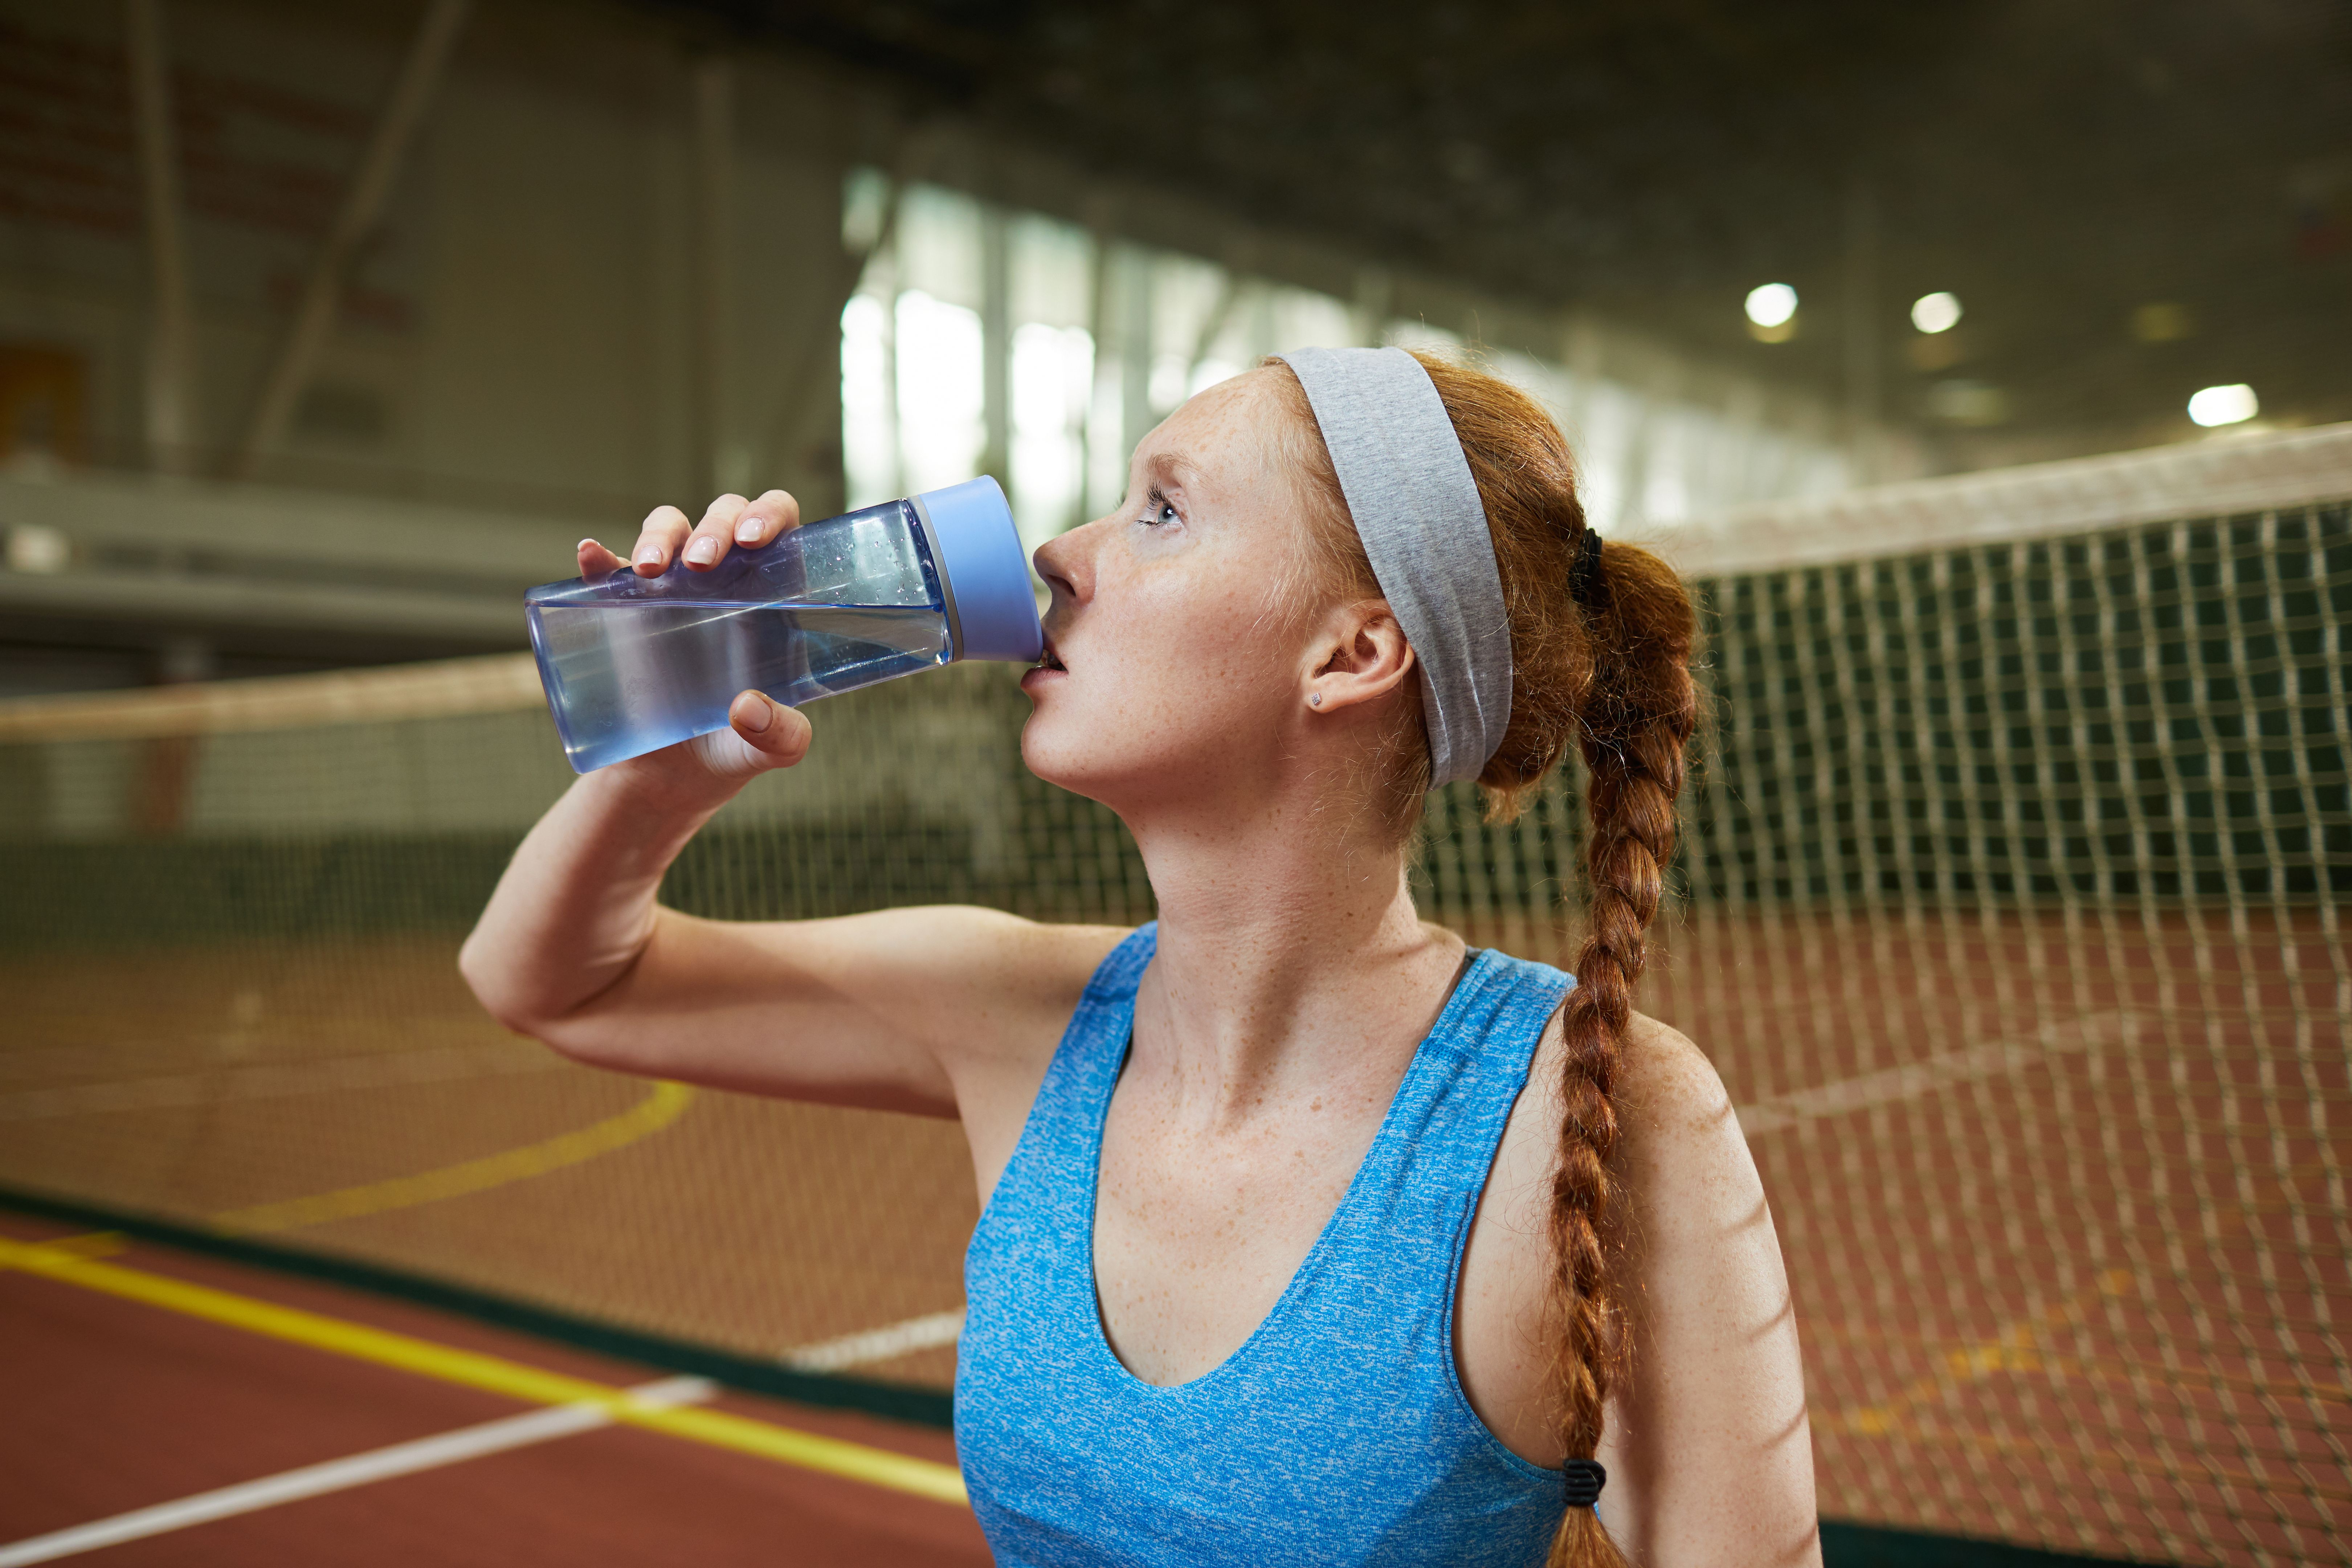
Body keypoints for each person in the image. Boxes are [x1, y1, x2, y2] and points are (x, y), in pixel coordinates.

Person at [461, 346, 1818, 1567]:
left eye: (1163, 510)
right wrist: (659, 780)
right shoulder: (1019, 1014)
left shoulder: (1597, 1113)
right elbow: (555, 980)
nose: (1059, 549)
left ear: (1353, 652)